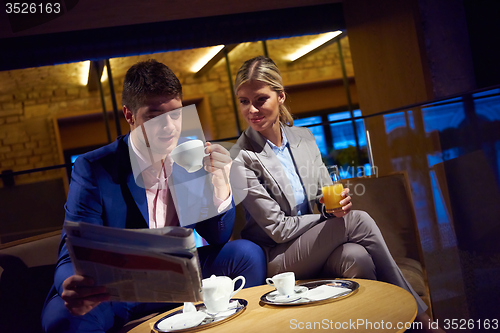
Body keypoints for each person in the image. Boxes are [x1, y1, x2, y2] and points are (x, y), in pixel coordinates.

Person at [41, 59, 266, 333]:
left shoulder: (189, 154)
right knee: (65, 318)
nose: (169, 127)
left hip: (178, 275)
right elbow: (70, 253)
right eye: (154, 116)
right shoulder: (94, 167)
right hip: (119, 288)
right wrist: (73, 283)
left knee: (246, 254)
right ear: (129, 115)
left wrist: (219, 185)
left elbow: (217, 236)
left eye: (175, 114)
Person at [229, 56, 444, 332]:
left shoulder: (304, 138)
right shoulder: (241, 157)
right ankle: (421, 321)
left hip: (317, 243)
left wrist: (335, 204)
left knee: (358, 258)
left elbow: (323, 195)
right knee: (359, 220)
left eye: (260, 99)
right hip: (278, 255)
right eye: (244, 101)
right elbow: (278, 230)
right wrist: (325, 214)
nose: (252, 110)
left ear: (280, 96)